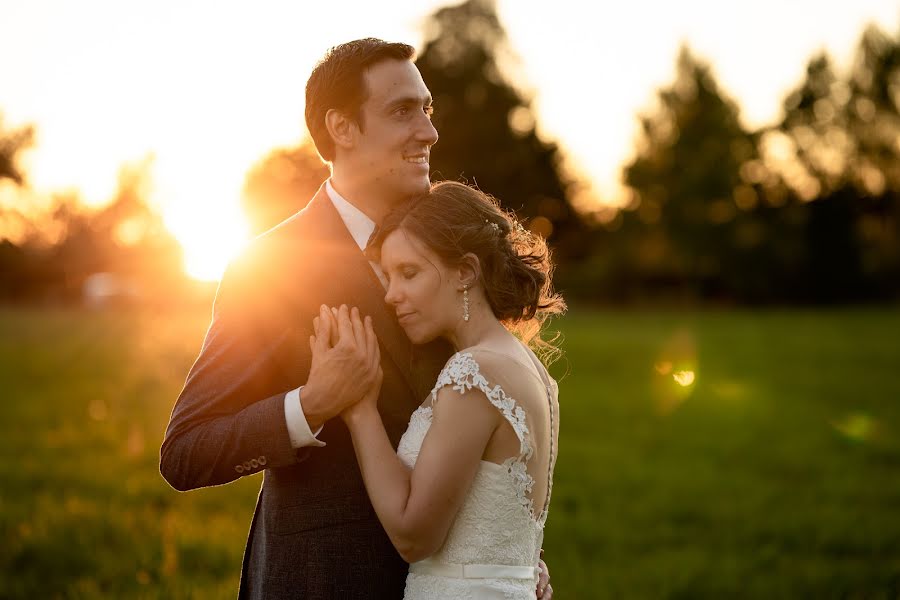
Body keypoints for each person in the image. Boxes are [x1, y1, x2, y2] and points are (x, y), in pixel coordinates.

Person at [159, 38, 553, 599]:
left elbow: (497, 419)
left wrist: (509, 562)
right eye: (401, 111)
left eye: (427, 109)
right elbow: (185, 453)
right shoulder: (267, 266)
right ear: (341, 128)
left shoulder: (450, 243)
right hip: (320, 582)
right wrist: (312, 404)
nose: (428, 131)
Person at [310, 181, 563, 599]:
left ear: (465, 271)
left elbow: (413, 537)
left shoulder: (474, 372)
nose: (392, 295)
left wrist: (360, 410)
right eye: (387, 277)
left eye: (409, 273)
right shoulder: (530, 367)